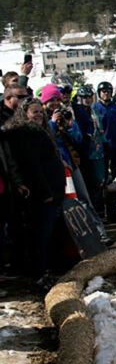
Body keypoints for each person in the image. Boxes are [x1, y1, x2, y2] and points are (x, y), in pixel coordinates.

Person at [3, 98, 65, 289]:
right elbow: (33, 166)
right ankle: (39, 274)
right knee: (40, 235)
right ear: (25, 113)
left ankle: (42, 271)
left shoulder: (38, 131)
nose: (38, 115)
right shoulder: (27, 134)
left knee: (45, 235)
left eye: (40, 111)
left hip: (51, 191)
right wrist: (45, 191)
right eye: (34, 112)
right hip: (41, 194)